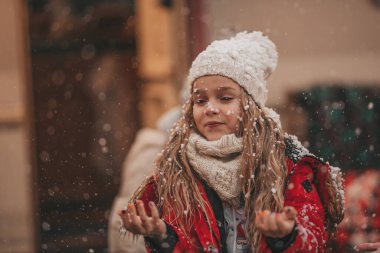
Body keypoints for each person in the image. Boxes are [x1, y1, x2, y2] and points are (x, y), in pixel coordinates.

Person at [118, 31, 345, 253]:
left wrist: (286, 238)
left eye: (225, 98)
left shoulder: (288, 165)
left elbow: (313, 239)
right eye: (200, 100)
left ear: (251, 108)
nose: (211, 109)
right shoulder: (177, 172)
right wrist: (164, 238)